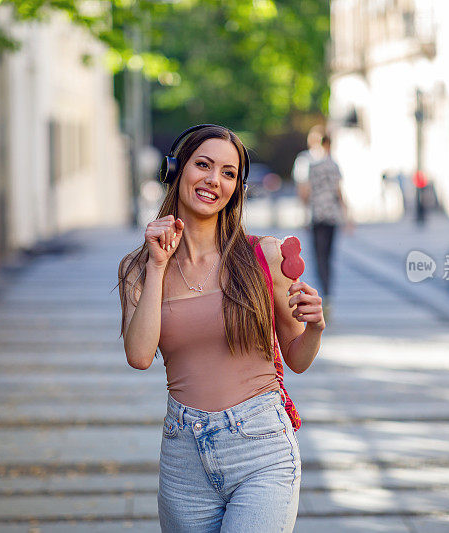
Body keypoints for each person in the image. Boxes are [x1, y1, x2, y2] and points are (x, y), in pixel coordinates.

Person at [118, 124, 325, 532]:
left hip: (262, 449)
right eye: (204, 165)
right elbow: (140, 356)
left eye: (229, 173)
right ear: (175, 170)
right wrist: (159, 266)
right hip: (183, 458)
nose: (214, 180)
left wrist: (315, 326)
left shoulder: (262, 256)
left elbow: (297, 359)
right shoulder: (138, 269)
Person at [293, 128, 348, 313]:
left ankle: (324, 294)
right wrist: (347, 216)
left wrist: (303, 213)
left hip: (316, 216)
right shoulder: (333, 164)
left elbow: (304, 191)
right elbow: (339, 192)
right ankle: (328, 293)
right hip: (332, 215)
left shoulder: (307, 163)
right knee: (329, 255)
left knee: (319, 257)